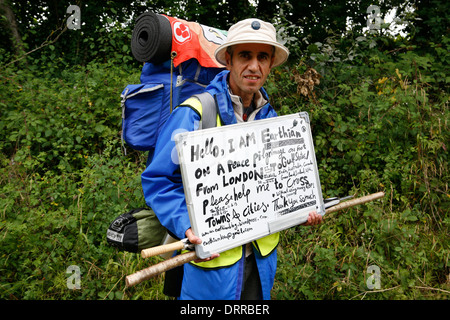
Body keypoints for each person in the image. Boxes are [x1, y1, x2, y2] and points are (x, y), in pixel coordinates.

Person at [141, 18, 322, 300]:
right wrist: (186, 225)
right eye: (245, 56)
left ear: (271, 63)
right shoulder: (195, 114)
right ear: (228, 60)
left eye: (262, 57)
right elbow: (158, 181)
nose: (254, 66)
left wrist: (299, 209)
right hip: (212, 268)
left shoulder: (272, 120)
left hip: (261, 264)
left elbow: (279, 185)